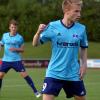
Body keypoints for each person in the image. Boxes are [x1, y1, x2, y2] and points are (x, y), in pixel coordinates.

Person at [32, 0, 88, 100]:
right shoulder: (52, 26)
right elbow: (35, 44)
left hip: (74, 74)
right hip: (54, 73)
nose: (79, 14)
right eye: (76, 11)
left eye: (80, 11)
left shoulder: (81, 28)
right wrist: (38, 32)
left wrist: (84, 65)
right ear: (66, 10)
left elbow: (84, 47)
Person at [0, 19, 41, 98]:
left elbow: (22, 50)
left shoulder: (20, 38)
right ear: (9, 27)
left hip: (16, 60)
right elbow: (1, 44)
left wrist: (15, 49)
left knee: (24, 75)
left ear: (17, 28)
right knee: (0, 75)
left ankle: (36, 92)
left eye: (15, 27)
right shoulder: (4, 35)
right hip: (6, 60)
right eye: (12, 27)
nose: (13, 29)